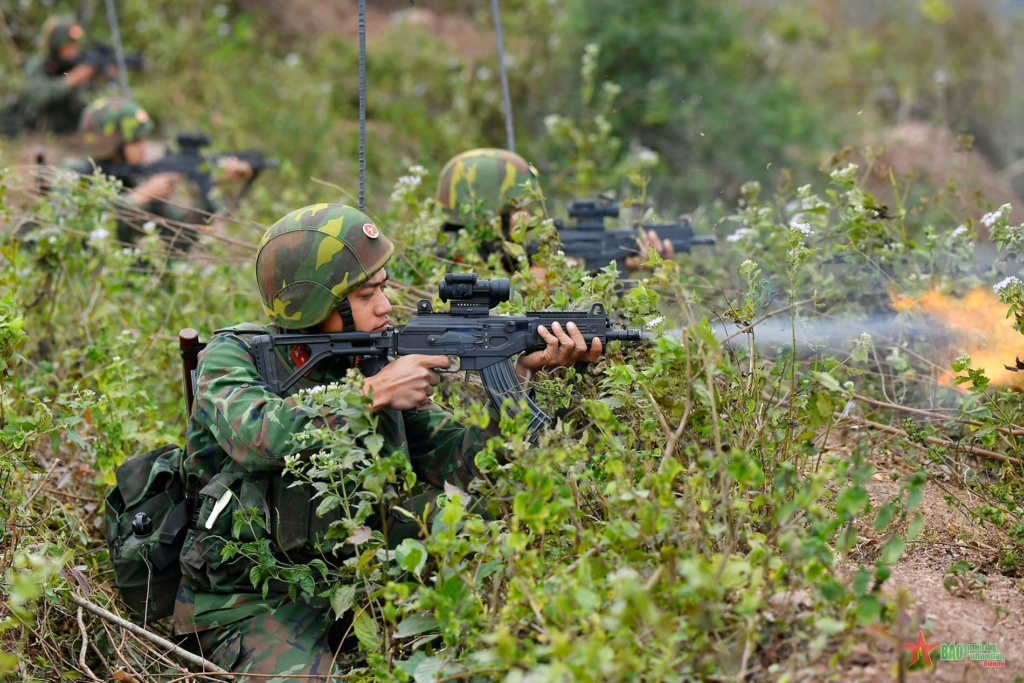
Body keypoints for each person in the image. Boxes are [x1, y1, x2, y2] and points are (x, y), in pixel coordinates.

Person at [173, 203, 601, 676]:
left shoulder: (372, 358)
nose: (385, 306)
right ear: (315, 302)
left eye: (383, 288)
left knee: (482, 517)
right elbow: (259, 435)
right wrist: (370, 395)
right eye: (365, 295)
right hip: (252, 596)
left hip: (358, 580)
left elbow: (469, 469)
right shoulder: (234, 356)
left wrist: (518, 378)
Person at [435, 147, 673, 275]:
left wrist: (628, 263)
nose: (528, 217)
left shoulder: (506, 254)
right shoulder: (450, 260)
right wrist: (541, 281)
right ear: (485, 213)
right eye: (517, 209)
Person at [71, 96, 252, 254]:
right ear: (109, 145)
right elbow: (84, 228)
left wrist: (209, 187)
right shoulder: (75, 177)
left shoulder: (138, 180)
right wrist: (140, 196)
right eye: (135, 141)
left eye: (143, 139)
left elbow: (179, 242)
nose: (143, 147)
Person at [0, 15, 114, 137]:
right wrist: (70, 80)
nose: (74, 51)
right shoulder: (39, 64)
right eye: (68, 46)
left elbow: (93, 102)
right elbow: (36, 95)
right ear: (56, 47)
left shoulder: (80, 63)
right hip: (28, 130)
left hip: (66, 133)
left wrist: (102, 77)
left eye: (75, 45)